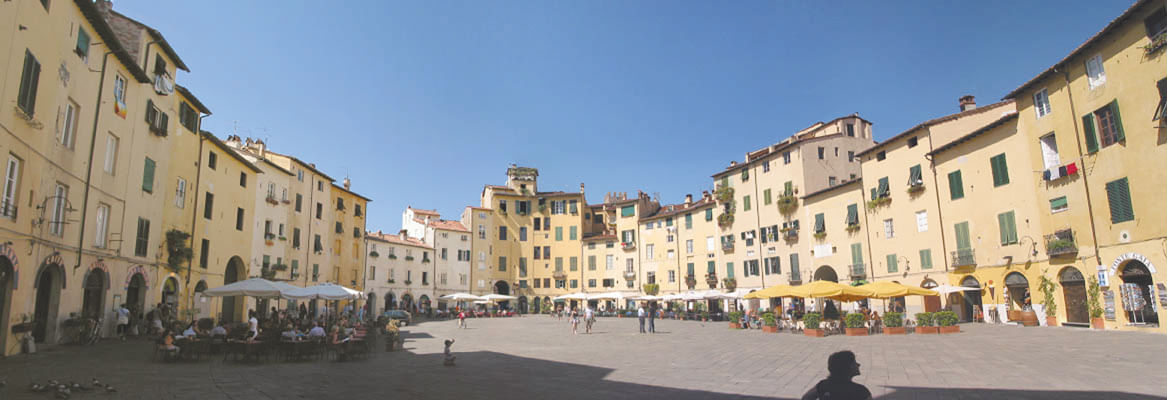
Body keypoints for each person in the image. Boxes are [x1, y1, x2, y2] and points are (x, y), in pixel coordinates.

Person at [801, 351, 872, 400]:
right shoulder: (861, 391)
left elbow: (805, 398)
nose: (858, 365)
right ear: (848, 367)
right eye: (854, 363)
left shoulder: (823, 385)